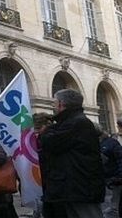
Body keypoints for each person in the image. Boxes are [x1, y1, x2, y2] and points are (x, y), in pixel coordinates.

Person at [37, 88, 105, 218]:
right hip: (71, 188)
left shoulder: (78, 122)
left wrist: (46, 130)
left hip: (80, 189)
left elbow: (51, 142)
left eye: (55, 102)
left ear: (62, 104)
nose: (53, 106)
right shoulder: (70, 122)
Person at [96, 124, 122, 218]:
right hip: (105, 180)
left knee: (113, 208)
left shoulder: (111, 143)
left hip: (114, 180)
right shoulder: (97, 143)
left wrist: (119, 177)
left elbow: (120, 159)